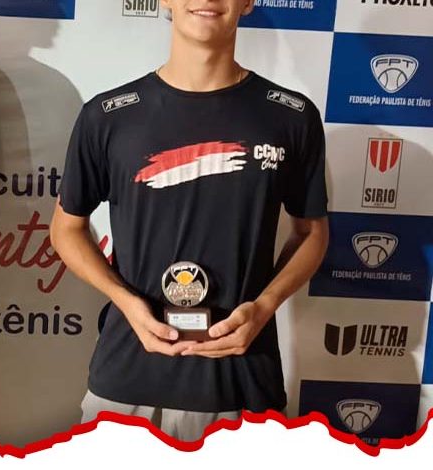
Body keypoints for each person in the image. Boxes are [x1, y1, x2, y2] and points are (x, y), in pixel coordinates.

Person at [50, 0, 329, 441]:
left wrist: (264, 306)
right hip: (127, 383)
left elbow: (311, 232)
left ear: (247, 3)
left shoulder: (291, 116)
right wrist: (126, 302)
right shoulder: (108, 116)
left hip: (241, 385)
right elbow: (66, 228)